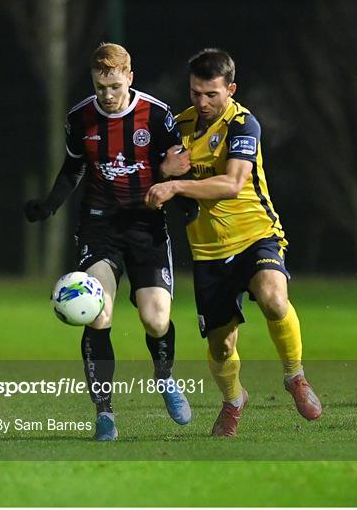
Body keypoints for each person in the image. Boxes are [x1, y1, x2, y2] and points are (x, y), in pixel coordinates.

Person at [145, 48, 322, 437]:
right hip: (208, 252)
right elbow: (152, 173)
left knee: (275, 299)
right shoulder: (179, 127)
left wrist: (175, 183)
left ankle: (295, 377)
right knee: (222, 346)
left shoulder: (244, 125)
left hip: (256, 235)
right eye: (195, 93)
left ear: (231, 89)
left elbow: (232, 183)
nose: (203, 102)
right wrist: (162, 169)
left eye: (212, 94)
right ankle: (233, 400)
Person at [24, 43, 193, 441]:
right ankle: (104, 414)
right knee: (98, 312)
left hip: (146, 226)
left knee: (156, 319)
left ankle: (165, 377)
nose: (107, 95)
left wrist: (184, 201)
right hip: (99, 226)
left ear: (130, 77)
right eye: (100, 87)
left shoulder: (156, 114)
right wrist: (50, 205)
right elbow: (73, 166)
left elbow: (176, 162)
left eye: (115, 86)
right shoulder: (81, 117)